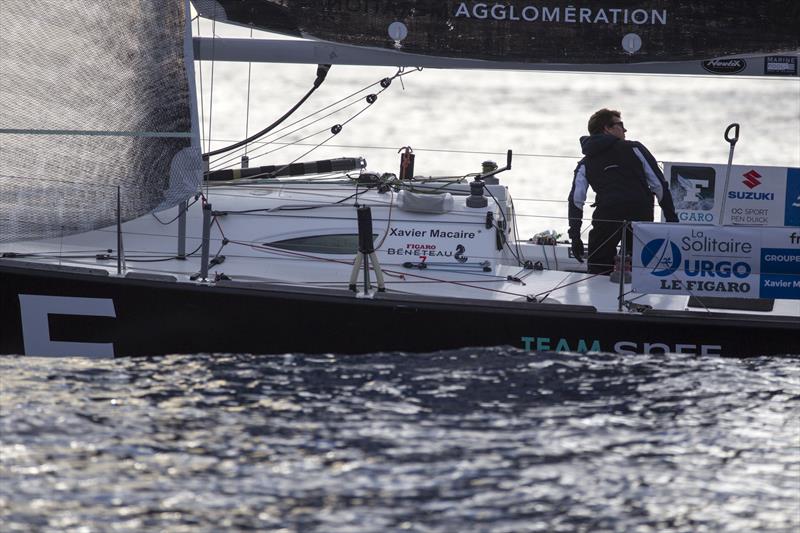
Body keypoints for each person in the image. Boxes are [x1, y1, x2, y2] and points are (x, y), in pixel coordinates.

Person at [567, 108, 678, 274]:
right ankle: (636, 297)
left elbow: (576, 199)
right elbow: (658, 185)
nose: (625, 130)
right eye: (621, 125)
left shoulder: (586, 161)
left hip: (607, 216)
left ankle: (599, 297)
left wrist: (575, 236)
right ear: (607, 128)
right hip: (639, 215)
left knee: (598, 268)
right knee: (639, 268)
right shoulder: (634, 148)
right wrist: (671, 219)